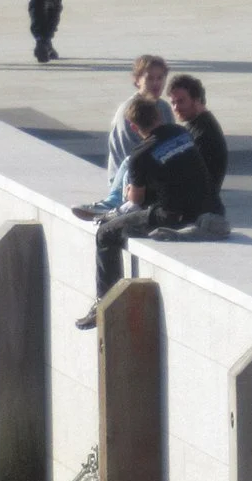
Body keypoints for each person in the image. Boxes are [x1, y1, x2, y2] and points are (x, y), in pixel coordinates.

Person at [77, 92, 225, 329]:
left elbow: (135, 202)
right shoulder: (182, 133)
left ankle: (105, 302)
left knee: (106, 232)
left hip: (173, 215)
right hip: (207, 207)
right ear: (159, 116)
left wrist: (127, 196)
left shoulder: (140, 155)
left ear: (134, 128)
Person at [75, 56, 175, 218]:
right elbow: (132, 159)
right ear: (137, 81)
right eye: (150, 78)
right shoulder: (130, 112)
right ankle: (112, 202)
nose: (156, 83)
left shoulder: (163, 108)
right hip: (127, 181)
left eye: (160, 78)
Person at [167, 72, 227, 193]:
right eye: (173, 102)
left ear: (197, 100)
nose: (175, 108)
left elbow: (192, 178)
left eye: (181, 101)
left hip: (197, 204)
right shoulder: (197, 125)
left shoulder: (204, 134)